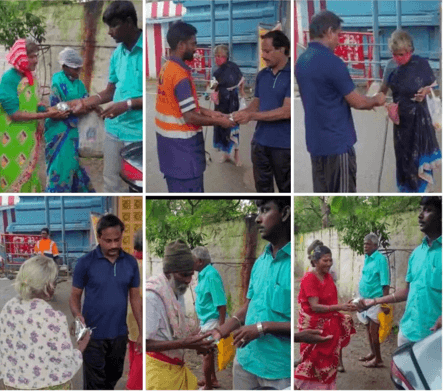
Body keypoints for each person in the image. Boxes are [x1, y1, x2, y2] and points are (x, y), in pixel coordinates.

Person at [296, 11, 386, 193]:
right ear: (329, 32)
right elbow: (358, 101)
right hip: (337, 145)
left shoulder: (301, 61)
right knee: (344, 197)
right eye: (338, 34)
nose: (339, 40)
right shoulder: (333, 63)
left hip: (316, 145)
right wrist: (377, 99)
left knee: (324, 195)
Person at [210, 199, 291, 389]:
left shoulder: (293, 265)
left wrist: (262, 327)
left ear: (285, 213)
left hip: (279, 371)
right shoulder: (260, 263)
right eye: (257, 211)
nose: (257, 219)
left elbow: (301, 324)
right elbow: (249, 305)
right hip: (245, 361)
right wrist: (222, 330)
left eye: (265, 210)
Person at [155, 21, 236, 193]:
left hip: (169, 153)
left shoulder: (166, 68)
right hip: (184, 156)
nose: (196, 48)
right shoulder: (180, 76)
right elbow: (190, 116)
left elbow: (188, 106)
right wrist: (220, 122)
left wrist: (215, 114)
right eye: (193, 44)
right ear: (181, 45)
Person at [74, 1, 143, 193]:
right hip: (114, 130)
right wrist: (86, 102)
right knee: (110, 180)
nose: (110, 32)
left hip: (137, 134)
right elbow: (109, 92)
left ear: (128, 22)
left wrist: (127, 104)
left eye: (114, 26)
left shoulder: (146, 53)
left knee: (137, 185)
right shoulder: (117, 55)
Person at [69, 214, 142, 390]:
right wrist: (78, 316)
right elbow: (74, 296)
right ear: (99, 237)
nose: (114, 245)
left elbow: (135, 298)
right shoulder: (85, 263)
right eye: (108, 241)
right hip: (92, 336)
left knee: (114, 376)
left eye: (117, 240)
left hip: (118, 334)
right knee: (95, 384)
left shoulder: (131, 263)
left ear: (122, 235)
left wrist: (141, 331)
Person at [358, 196, 442, 346]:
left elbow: (384, 281)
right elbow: (407, 291)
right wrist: (375, 301)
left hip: (433, 338)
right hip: (407, 332)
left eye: (428, 210)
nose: (420, 215)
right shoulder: (416, 253)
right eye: (420, 209)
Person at [0, 255, 90, 390]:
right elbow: (65, 363)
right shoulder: (53, 318)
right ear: (48, 286)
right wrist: (81, 347)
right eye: (54, 282)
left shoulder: (9, 308)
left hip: (13, 385)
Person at [0, 38, 68, 192]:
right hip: (12, 140)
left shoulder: (30, 77)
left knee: (30, 174)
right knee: (13, 175)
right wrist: (45, 116)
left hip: (29, 137)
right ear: (21, 57)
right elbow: (15, 113)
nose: (36, 60)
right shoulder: (9, 79)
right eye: (31, 56)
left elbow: (29, 103)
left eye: (36, 56)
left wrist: (45, 109)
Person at [145, 240, 214, 390]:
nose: (189, 280)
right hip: (158, 372)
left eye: (191, 274)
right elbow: (144, 344)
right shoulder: (151, 296)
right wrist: (184, 344)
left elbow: (175, 333)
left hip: (174, 367)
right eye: (184, 275)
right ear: (169, 272)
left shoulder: (176, 290)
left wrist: (197, 344)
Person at [378, 30, 441, 192]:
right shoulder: (390, 67)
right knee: (405, 162)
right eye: (395, 54)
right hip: (402, 126)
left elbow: (436, 89)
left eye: (403, 54)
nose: (399, 58)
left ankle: (423, 192)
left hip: (421, 123)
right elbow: (382, 92)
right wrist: (385, 105)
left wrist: (426, 91)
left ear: (410, 51)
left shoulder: (421, 64)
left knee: (420, 162)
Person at [233, 31, 291, 193]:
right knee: (263, 191)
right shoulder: (262, 75)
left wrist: (252, 116)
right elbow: (257, 103)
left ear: (282, 49)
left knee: (287, 191)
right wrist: (242, 113)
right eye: (262, 51)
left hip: (284, 147)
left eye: (267, 51)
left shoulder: (293, 75)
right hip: (260, 144)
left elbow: (287, 111)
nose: (263, 56)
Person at [294, 245, 357, 390]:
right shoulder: (309, 278)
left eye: (330, 260)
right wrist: (340, 307)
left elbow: (331, 302)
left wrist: (344, 308)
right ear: (315, 262)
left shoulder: (328, 277)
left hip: (330, 328)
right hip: (314, 330)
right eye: (325, 260)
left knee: (329, 364)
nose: (329, 264)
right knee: (311, 364)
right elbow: (315, 307)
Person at [44, 47, 95, 193]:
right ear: (65, 66)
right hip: (58, 131)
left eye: (79, 68)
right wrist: (78, 106)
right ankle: (57, 192)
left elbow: (86, 102)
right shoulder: (57, 81)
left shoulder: (79, 84)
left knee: (72, 163)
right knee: (60, 165)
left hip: (73, 131)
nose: (78, 71)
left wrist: (84, 105)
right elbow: (57, 107)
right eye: (75, 68)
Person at [192, 246, 227, 390]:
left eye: (192, 260)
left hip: (213, 320)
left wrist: (222, 327)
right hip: (206, 320)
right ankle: (212, 379)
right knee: (208, 352)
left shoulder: (211, 275)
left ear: (199, 261)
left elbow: (221, 303)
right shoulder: (203, 274)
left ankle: (208, 386)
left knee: (206, 352)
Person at [356, 233, 390, 368]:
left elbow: (385, 284)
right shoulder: (367, 258)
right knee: (367, 328)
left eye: (368, 244)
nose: (365, 246)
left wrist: (384, 303)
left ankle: (379, 359)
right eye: (364, 243)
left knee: (373, 331)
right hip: (365, 300)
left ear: (376, 246)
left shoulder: (381, 260)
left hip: (376, 300)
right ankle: (373, 353)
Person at [211, 44, 244, 166]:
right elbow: (212, 88)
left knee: (233, 127)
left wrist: (242, 92)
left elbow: (241, 80)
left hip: (232, 102)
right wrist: (212, 93)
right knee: (222, 128)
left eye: (221, 56)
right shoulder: (216, 71)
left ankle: (236, 155)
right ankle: (226, 153)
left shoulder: (233, 67)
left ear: (226, 57)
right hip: (220, 104)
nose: (218, 58)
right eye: (216, 56)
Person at [125, 228, 143, 390]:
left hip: (128, 316)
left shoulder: (128, 262)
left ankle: (132, 377)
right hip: (139, 317)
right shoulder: (141, 266)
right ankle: (133, 385)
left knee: (133, 349)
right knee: (140, 354)